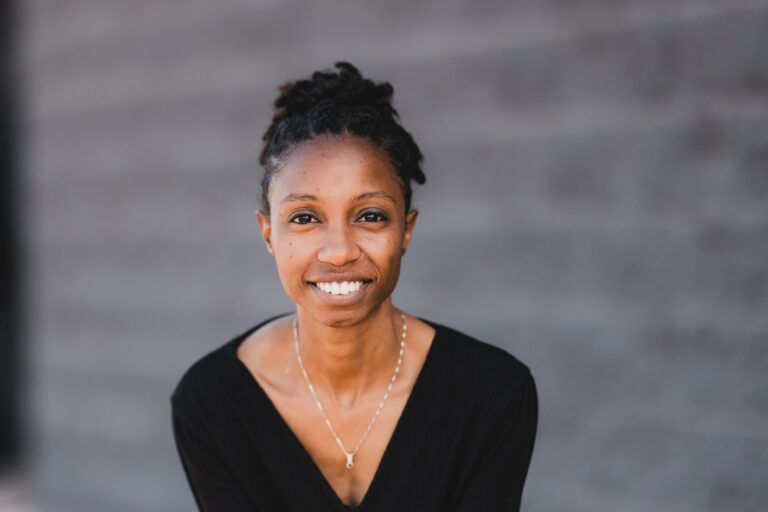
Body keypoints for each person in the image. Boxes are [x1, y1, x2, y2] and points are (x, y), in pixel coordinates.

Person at [170, 62, 538, 511]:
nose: (339, 252)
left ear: (405, 230)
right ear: (269, 235)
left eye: (370, 216)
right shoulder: (213, 402)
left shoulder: (493, 394)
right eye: (305, 218)